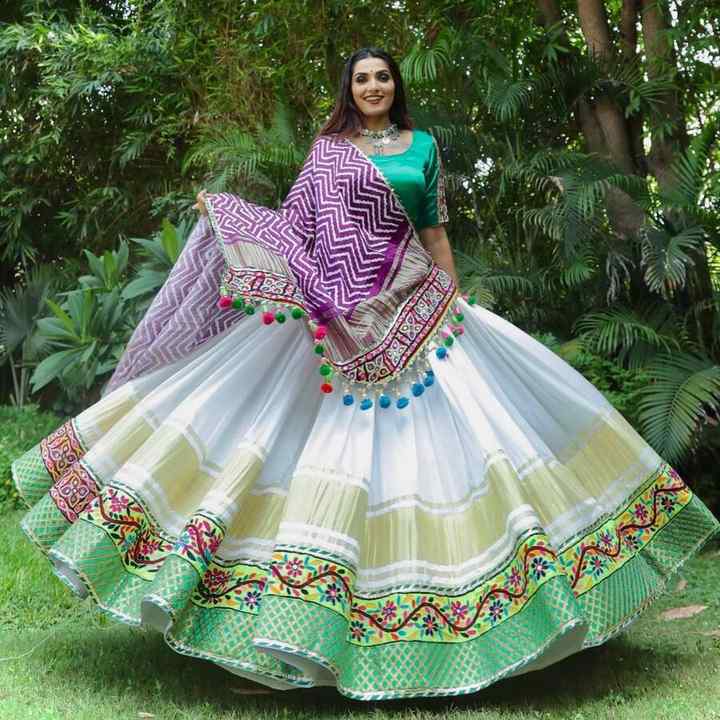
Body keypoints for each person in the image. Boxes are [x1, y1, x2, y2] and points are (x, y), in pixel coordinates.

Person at [12, 47, 720, 701]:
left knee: (463, 448)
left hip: (417, 308)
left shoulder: (423, 148)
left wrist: (451, 295)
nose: (373, 86)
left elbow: (434, 231)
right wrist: (230, 214)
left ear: (395, 87)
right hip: (335, 318)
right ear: (348, 91)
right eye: (362, 79)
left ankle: (500, 626)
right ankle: (278, 633)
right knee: (284, 443)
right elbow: (296, 228)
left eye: (382, 77)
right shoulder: (328, 153)